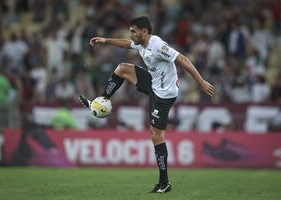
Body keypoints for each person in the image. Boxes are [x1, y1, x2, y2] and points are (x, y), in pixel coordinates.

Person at [78, 16, 215, 193]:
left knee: (156, 136)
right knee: (122, 68)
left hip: (164, 95)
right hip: (153, 84)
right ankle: (100, 101)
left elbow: (182, 59)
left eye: (133, 31)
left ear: (144, 32)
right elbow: (127, 43)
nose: (131, 34)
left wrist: (201, 82)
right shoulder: (140, 43)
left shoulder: (157, 44)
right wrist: (106, 41)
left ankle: (164, 183)